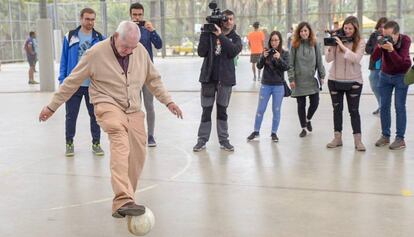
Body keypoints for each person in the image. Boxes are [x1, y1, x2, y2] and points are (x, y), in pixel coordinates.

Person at [38, 21, 183, 217]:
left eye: (133, 47)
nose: (129, 51)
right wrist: (52, 106)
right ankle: (123, 198)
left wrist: (168, 102)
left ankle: (125, 201)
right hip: (107, 104)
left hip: (133, 109)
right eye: (126, 47)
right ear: (115, 36)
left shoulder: (138, 50)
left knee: (137, 155)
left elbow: (153, 79)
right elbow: (72, 81)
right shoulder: (95, 53)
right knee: (119, 141)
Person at [193, 9, 242, 152]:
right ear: (221, 20)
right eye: (226, 19)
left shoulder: (236, 38)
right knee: (206, 111)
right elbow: (201, 52)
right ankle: (202, 140)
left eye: (231, 19)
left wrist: (220, 35)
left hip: (225, 80)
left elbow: (232, 51)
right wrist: (205, 33)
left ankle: (224, 140)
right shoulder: (209, 35)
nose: (228, 22)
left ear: (234, 21)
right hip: (208, 79)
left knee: (222, 111)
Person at [59, 8, 105, 157]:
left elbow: (105, 61)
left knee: (95, 116)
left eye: (92, 19)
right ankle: (69, 143)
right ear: (81, 19)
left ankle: (96, 143)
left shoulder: (99, 38)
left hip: (93, 85)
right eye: (87, 19)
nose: (90, 22)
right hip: (74, 85)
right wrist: (62, 80)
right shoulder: (70, 36)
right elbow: (64, 60)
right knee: (71, 116)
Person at [325, 16, 366, 151]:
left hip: (354, 80)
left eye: (350, 28)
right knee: (337, 110)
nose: (347, 30)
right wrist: (332, 46)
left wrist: (342, 47)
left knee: (354, 111)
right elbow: (328, 59)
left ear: (356, 29)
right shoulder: (338, 40)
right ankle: (337, 138)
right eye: (345, 28)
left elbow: (357, 58)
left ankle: (358, 141)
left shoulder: (360, 41)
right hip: (334, 80)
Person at [372, 20, 412, 150]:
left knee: (399, 106)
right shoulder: (383, 40)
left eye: (389, 36)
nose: (386, 38)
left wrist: (391, 50)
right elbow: (374, 58)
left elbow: (403, 64)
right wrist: (379, 46)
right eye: (384, 35)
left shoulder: (405, 40)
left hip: (401, 76)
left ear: (397, 34)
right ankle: (385, 136)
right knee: (384, 106)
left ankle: (400, 139)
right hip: (385, 76)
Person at [130, 2, 163, 147]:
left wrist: (152, 30)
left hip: (147, 74)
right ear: (130, 15)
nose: (137, 17)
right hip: (131, 75)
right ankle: (136, 134)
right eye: (135, 14)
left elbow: (159, 45)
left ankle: (150, 136)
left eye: (139, 14)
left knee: (149, 106)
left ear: (143, 15)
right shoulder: (126, 29)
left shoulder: (147, 29)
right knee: (133, 106)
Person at [247, 31, 290, 142]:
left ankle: (274, 133)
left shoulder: (284, 53)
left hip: (278, 86)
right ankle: (256, 131)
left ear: (280, 41)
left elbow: (286, 67)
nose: (274, 42)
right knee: (260, 109)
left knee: (276, 110)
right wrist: (263, 57)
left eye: (276, 40)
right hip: (266, 84)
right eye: (272, 40)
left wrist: (279, 58)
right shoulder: (265, 52)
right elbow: (259, 66)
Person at [288, 22, 325, 138]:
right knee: (301, 104)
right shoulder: (294, 45)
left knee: (315, 102)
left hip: (311, 79)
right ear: (299, 33)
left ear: (309, 31)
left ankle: (308, 119)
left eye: (306, 30)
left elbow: (319, 61)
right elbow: (290, 64)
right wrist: (291, 78)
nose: (304, 33)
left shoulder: (315, 44)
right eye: (301, 31)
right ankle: (303, 127)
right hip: (298, 80)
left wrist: (322, 75)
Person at [365, 17, 388, 115]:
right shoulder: (374, 35)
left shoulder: (391, 36)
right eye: (380, 27)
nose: (382, 29)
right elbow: (367, 48)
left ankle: (383, 107)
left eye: (384, 27)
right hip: (375, 64)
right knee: (374, 84)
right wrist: (376, 47)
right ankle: (381, 105)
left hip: (387, 65)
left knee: (384, 87)